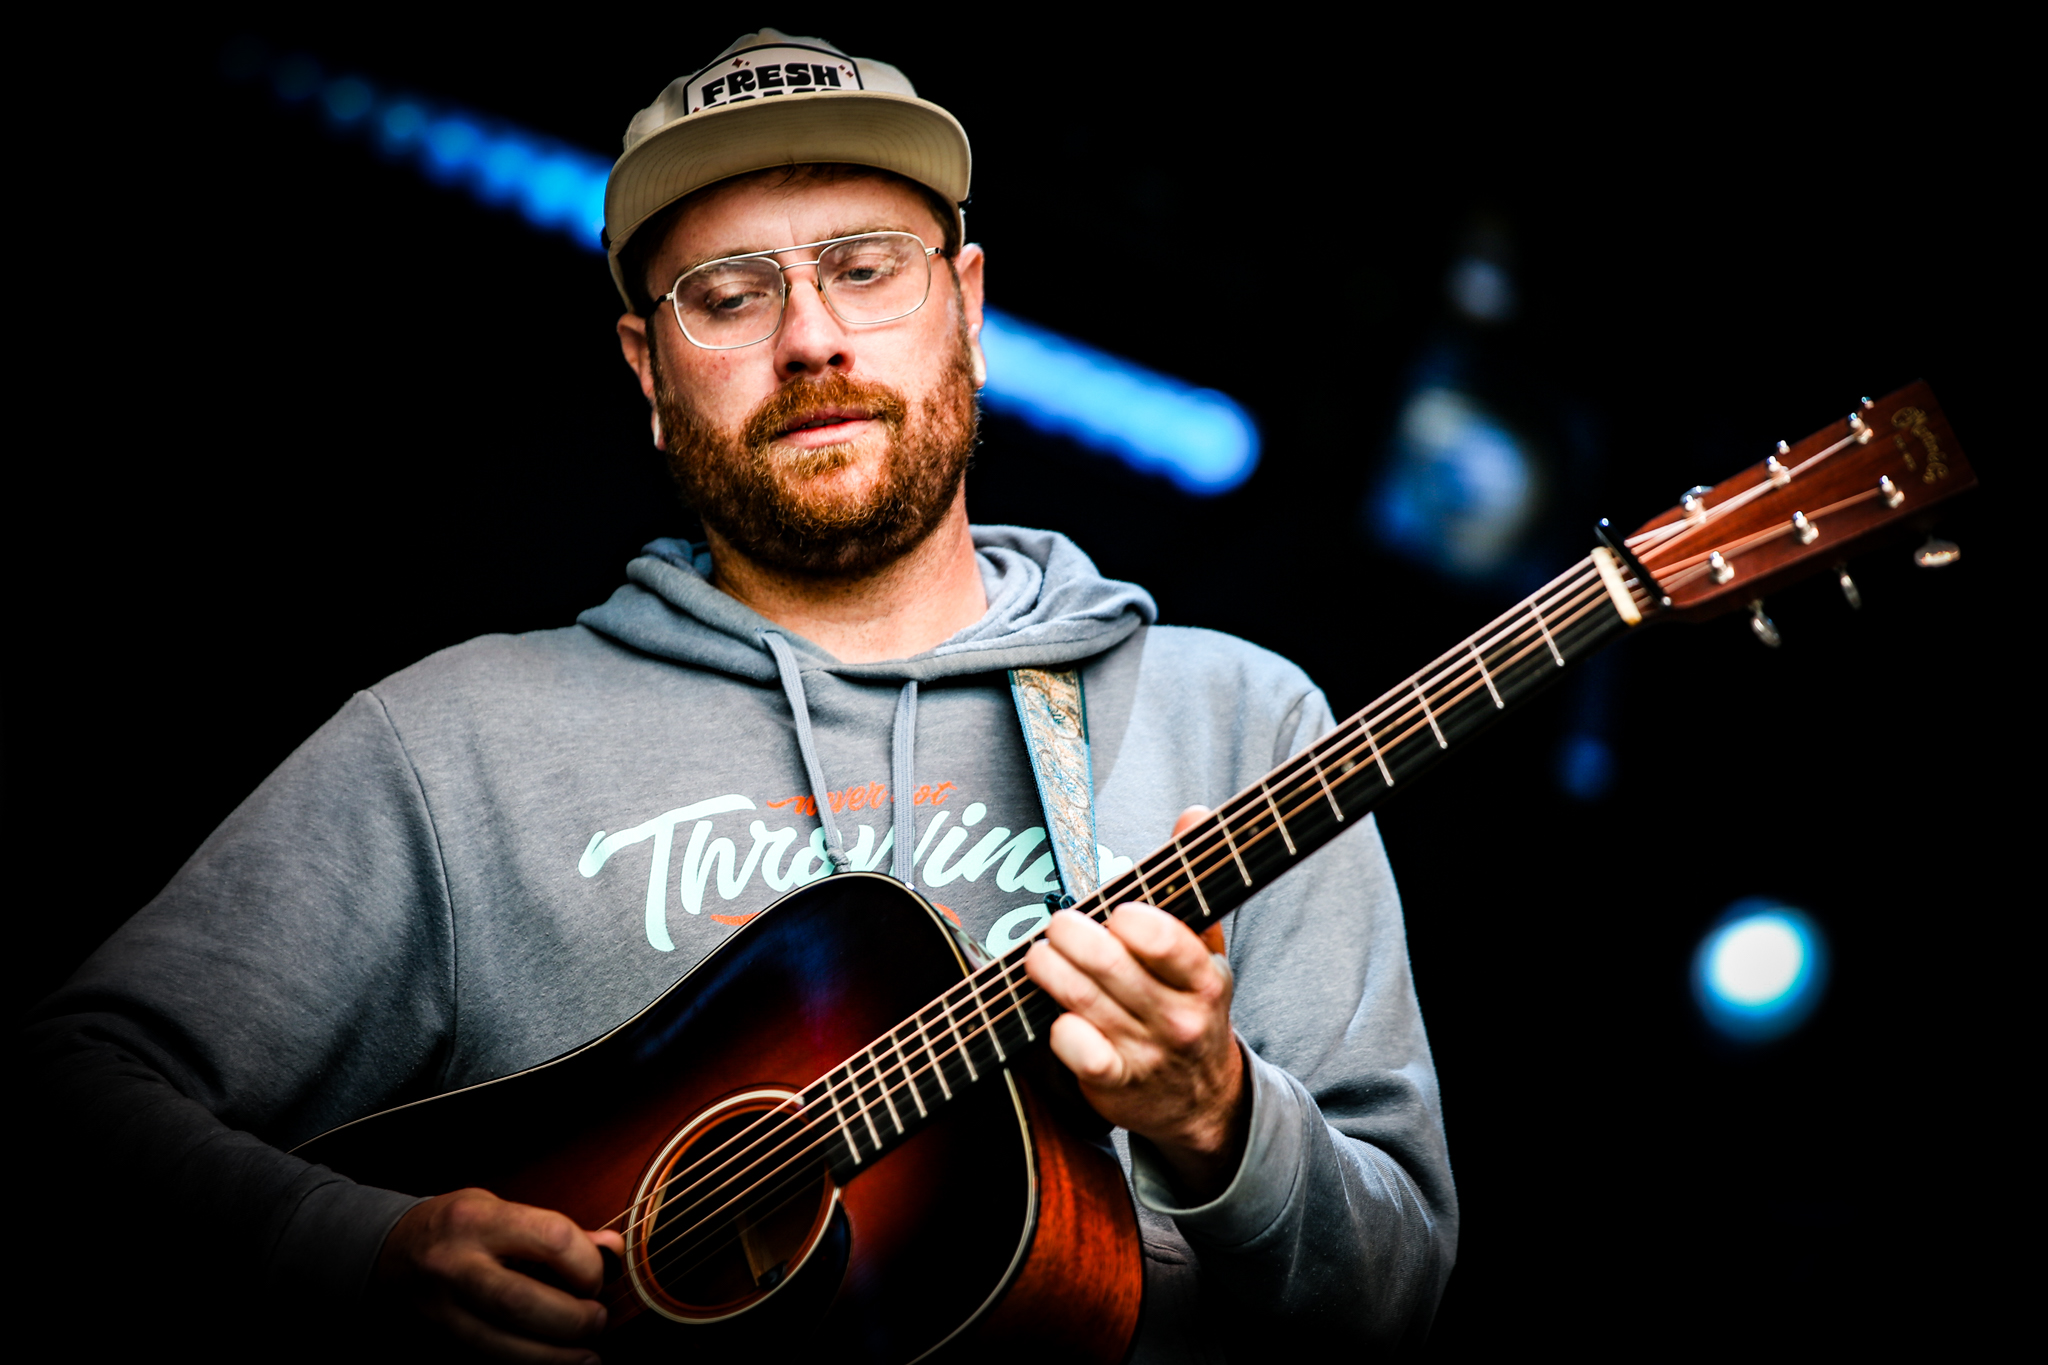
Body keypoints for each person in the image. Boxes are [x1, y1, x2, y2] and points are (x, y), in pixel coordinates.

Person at [26, 28, 1456, 1362]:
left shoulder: (1239, 720)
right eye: (729, 293)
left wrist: (1219, 1119)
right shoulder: (452, 742)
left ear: (964, 305)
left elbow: (1395, 1297)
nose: (812, 338)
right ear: (650, 372)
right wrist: (359, 1245)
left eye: (865, 266)